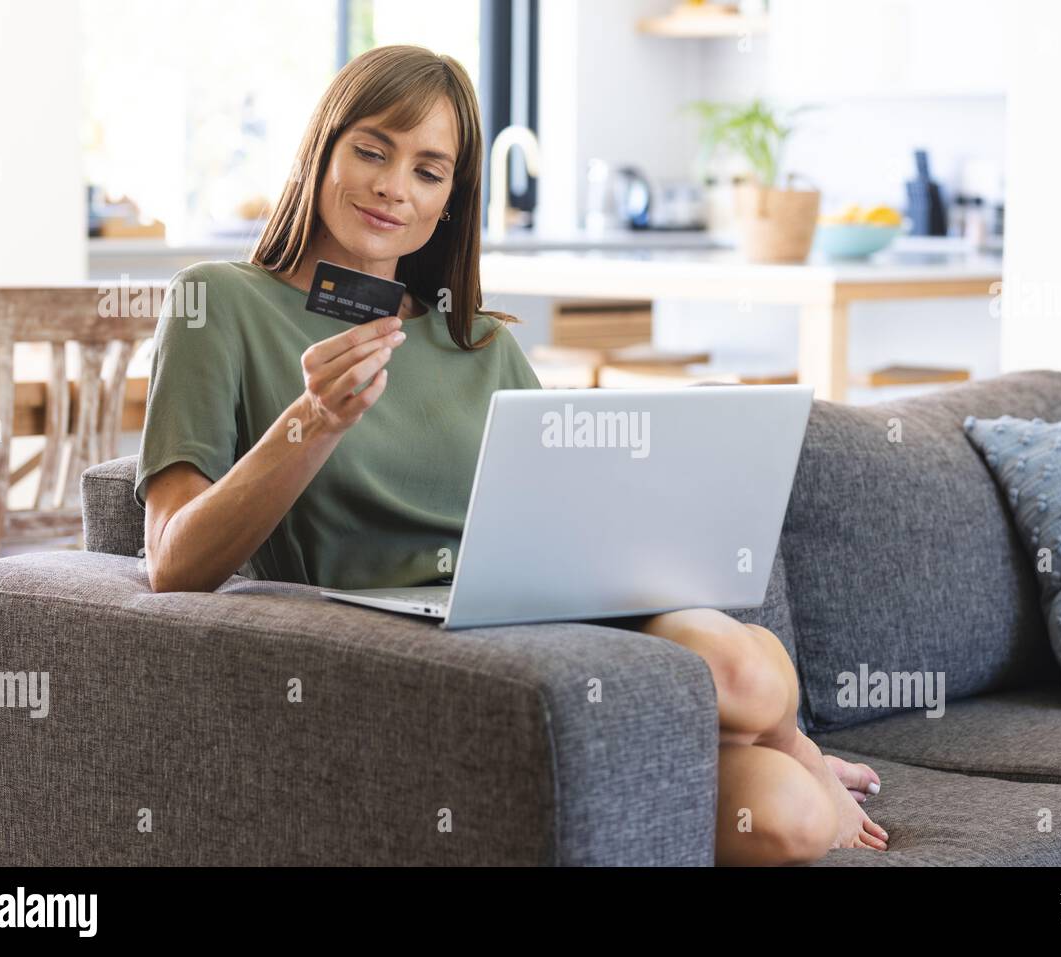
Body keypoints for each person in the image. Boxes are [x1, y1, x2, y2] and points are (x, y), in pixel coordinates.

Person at [135, 44, 887, 864]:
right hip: (424, 629)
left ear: (450, 204)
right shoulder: (220, 302)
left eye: (429, 171)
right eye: (372, 150)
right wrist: (311, 422)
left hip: (559, 601)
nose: (393, 186)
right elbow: (173, 563)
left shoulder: (478, 337)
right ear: (322, 149)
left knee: (742, 674)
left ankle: (798, 744)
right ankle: (794, 767)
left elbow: (568, 500)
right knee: (792, 822)